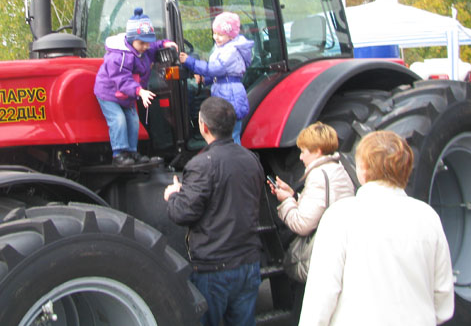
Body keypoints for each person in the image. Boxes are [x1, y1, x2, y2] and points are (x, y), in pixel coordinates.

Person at [299, 131, 455, 326]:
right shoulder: (429, 218)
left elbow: (321, 298)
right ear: (406, 169)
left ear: (363, 169)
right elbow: (442, 299)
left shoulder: (340, 216)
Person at [164, 96, 264, 326]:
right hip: (248, 263)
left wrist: (174, 194)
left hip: (214, 268)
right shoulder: (251, 159)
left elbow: (182, 213)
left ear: (203, 127)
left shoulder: (201, 164)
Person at [267, 122, 355, 282]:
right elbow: (323, 206)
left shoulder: (319, 176)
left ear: (317, 151)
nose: (300, 157)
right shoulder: (337, 168)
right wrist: (293, 195)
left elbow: (303, 224)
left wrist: (286, 201)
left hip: (321, 260)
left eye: (303, 151)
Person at [94, 7, 177, 166]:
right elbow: (122, 80)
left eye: (148, 42)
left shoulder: (142, 49)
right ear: (132, 39)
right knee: (118, 120)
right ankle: (119, 154)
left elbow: (154, 46)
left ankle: (132, 153)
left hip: (128, 95)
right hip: (110, 93)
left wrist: (165, 43)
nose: (146, 46)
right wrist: (140, 91)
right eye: (142, 43)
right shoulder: (119, 56)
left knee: (133, 120)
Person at [179, 11, 253, 144]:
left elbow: (215, 68)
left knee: (231, 133)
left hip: (231, 95)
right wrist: (205, 79)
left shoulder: (231, 50)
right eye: (215, 33)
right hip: (225, 90)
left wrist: (190, 62)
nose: (216, 37)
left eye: (221, 34)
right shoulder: (224, 47)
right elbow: (221, 75)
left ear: (231, 36)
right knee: (225, 133)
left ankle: (234, 160)